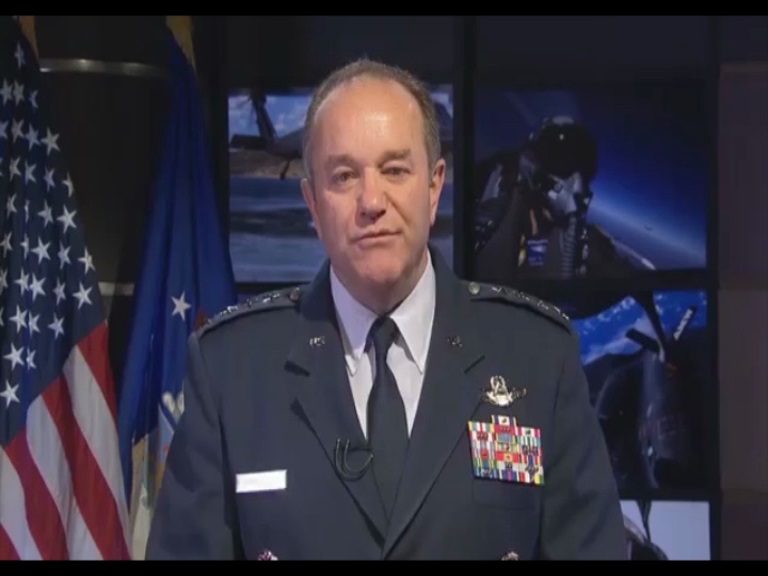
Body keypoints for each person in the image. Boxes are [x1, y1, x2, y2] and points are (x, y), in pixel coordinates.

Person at [145, 58, 627, 560]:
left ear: (434, 186)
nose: (371, 201)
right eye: (344, 176)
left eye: (395, 170)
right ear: (312, 204)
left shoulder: (538, 358)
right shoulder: (231, 370)